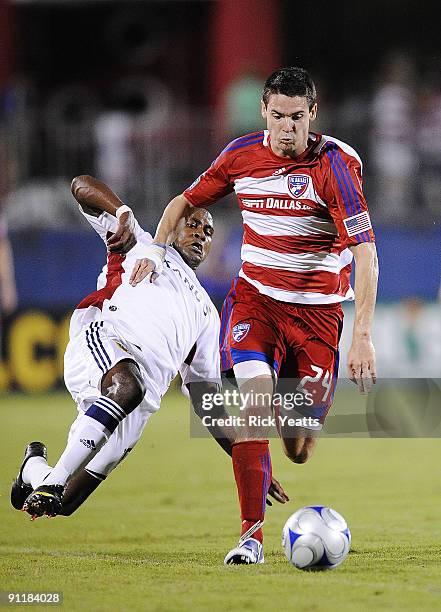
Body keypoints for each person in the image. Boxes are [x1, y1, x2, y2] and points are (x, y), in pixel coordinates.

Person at [130, 67, 379, 565]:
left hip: (317, 316)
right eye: (278, 116)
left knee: (298, 448)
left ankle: (296, 421)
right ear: (265, 112)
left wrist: (362, 336)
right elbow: (183, 202)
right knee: (254, 407)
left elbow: (366, 254)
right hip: (255, 302)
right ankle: (251, 538)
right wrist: (155, 251)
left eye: (297, 117)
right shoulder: (241, 156)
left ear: (313, 115)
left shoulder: (335, 165)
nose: (287, 127)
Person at [11, 176, 286, 519]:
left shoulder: (207, 314)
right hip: (104, 343)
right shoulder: (140, 244)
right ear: (172, 227)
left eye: (209, 231)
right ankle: (53, 482)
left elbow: (207, 404)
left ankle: (34, 468)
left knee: (65, 502)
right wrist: (121, 211)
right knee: (129, 385)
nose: (202, 233)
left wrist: (248, 458)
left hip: (137, 404)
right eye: (193, 223)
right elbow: (81, 187)